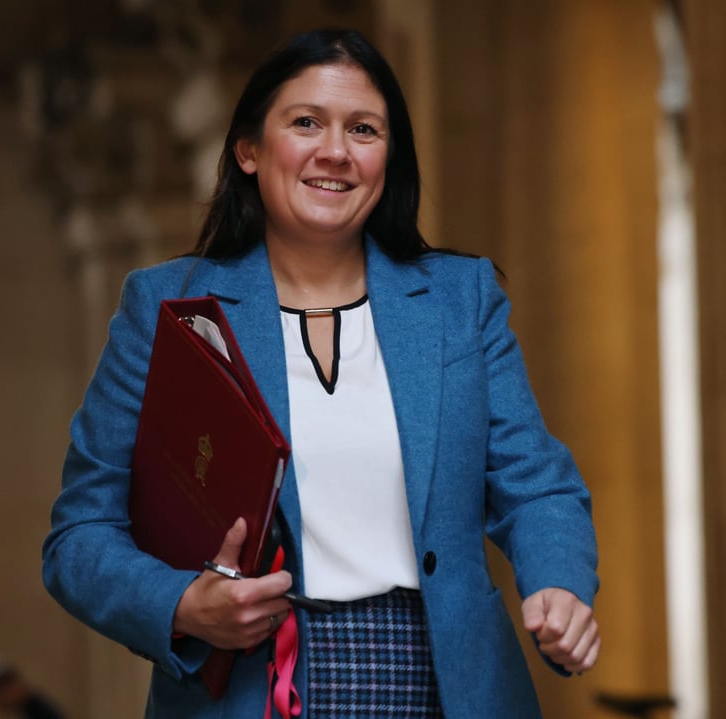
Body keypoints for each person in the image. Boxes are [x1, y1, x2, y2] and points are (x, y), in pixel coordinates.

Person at [42, 27, 600, 719]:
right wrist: (184, 605)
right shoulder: (166, 306)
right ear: (248, 149)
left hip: (449, 685)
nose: (335, 150)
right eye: (306, 122)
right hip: (258, 686)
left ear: (388, 158)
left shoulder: (461, 299)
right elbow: (79, 535)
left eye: (363, 129)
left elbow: (536, 481)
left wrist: (559, 581)